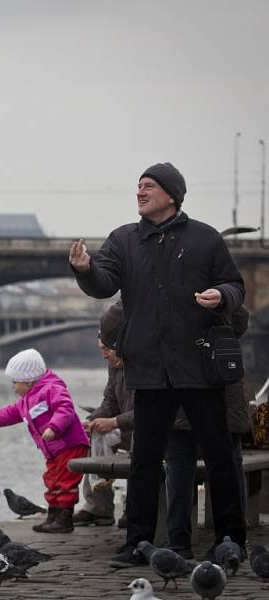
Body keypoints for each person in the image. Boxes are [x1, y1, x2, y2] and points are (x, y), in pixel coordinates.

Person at [69, 161, 247, 568]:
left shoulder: (205, 239)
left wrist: (221, 294)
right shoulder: (124, 240)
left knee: (219, 457)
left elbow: (235, 285)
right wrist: (84, 269)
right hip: (149, 369)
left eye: (148, 186)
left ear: (171, 194)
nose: (139, 192)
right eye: (138, 186)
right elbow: (104, 282)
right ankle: (138, 543)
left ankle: (230, 538)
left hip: (199, 366)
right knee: (145, 461)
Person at [164, 306, 253, 559]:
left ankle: (180, 540)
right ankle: (232, 539)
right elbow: (240, 321)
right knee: (228, 464)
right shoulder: (221, 289)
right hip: (220, 383)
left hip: (187, 383)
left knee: (182, 465)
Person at [0, 348, 90, 533]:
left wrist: (54, 427)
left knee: (65, 482)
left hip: (70, 445)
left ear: (28, 380)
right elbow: (9, 413)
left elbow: (65, 408)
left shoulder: (52, 388)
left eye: (15, 382)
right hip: (53, 450)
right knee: (51, 480)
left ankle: (65, 519)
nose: (13, 387)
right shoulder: (27, 400)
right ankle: (53, 515)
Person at [74, 300, 135, 528]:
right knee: (96, 433)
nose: (103, 355)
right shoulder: (114, 366)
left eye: (105, 349)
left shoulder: (142, 364)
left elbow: (149, 413)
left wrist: (114, 422)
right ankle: (98, 508)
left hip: (152, 431)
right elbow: (110, 401)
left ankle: (135, 506)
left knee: (140, 444)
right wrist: (91, 421)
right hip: (128, 428)